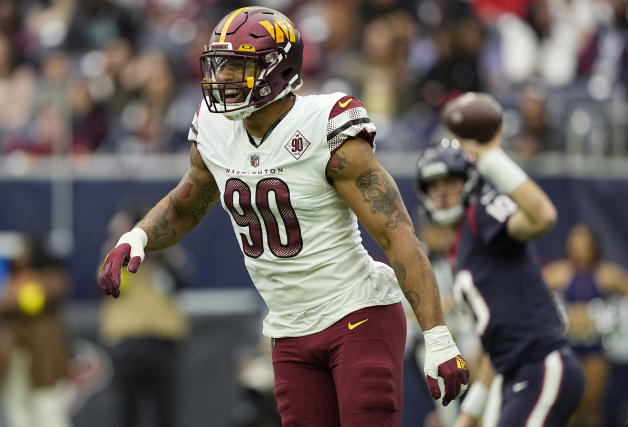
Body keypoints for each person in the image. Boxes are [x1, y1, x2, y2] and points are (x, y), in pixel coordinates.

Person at [98, 6, 469, 426]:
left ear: (276, 70)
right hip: (289, 331)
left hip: (357, 314)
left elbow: (397, 234)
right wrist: (140, 236)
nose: (221, 80)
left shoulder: (324, 127)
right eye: (219, 67)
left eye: (236, 68)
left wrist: (437, 336)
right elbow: (186, 205)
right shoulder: (214, 130)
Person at [415, 131, 585, 426]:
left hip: (540, 364)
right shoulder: (461, 248)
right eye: (434, 186)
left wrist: (492, 156)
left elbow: (542, 217)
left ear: (468, 180)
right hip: (516, 373)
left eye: (449, 182)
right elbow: (495, 346)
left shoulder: (480, 215)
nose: (441, 192)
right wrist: (469, 415)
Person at [99, 205, 189, 427]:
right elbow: (105, 285)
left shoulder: (167, 252)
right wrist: (122, 244)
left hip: (161, 341)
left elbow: (181, 282)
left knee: (166, 412)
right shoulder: (114, 251)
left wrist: (156, 249)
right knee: (126, 413)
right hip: (126, 341)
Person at [543, 222, 628, 427]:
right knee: (567, 409)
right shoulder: (558, 272)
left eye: (584, 243)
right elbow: (532, 294)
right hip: (568, 348)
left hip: (595, 349)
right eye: (576, 243)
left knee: (592, 410)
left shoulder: (606, 273)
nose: (580, 248)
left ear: (593, 245)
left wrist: (615, 319)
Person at [0, 236, 72, 427]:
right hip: (15, 355)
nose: (20, 254)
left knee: (48, 406)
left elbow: (32, 301)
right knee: (17, 410)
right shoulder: (14, 278)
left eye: (24, 249)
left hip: (44, 354)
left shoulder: (52, 276)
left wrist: (23, 287)